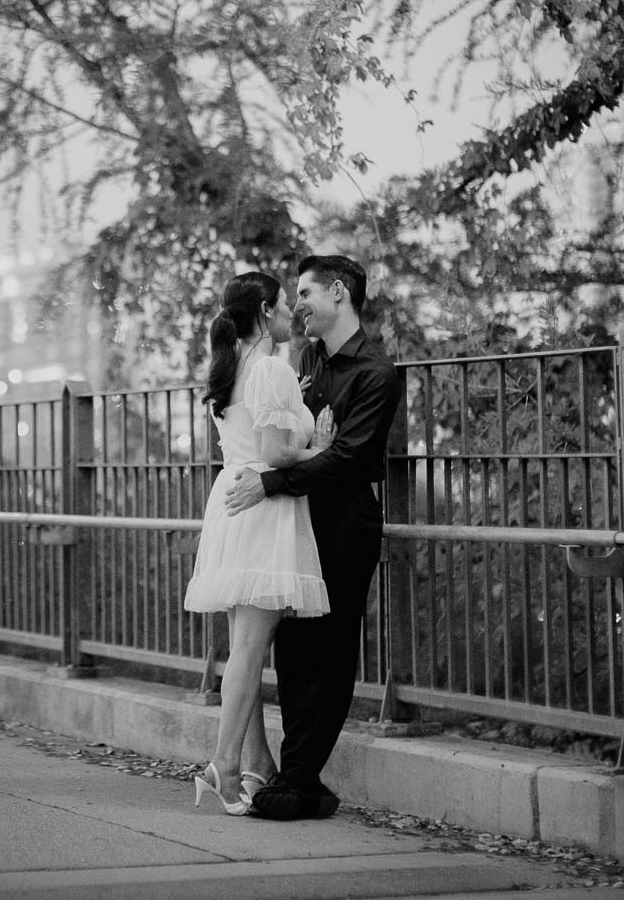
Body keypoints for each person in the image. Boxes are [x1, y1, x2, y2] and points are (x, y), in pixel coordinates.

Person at [223, 254, 401, 821]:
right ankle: (292, 772)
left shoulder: (375, 371)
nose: (296, 304)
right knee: (294, 651)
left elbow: (350, 459)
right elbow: (295, 434)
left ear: (340, 293)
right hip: (297, 520)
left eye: (304, 293)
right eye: (292, 296)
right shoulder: (307, 359)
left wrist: (272, 479)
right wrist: (302, 452)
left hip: (345, 523)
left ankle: (300, 774)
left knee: (330, 649)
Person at [183, 270, 334, 815]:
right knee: (250, 649)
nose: (291, 315)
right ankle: (224, 766)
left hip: (233, 501)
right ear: (266, 311)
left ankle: (255, 764)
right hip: (262, 506)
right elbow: (275, 453)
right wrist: (322, 447)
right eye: (284, 306)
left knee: (243, 648)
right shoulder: (270, 368)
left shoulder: (228, 370)